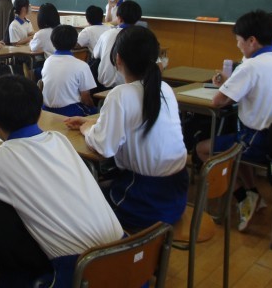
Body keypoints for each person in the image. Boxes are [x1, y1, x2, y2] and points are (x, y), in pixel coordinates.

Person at [0, 75, 123, 287]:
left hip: (78, 272)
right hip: (127, 254)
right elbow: (13, 151)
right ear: (39, 112)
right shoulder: (58, 139)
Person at [65, 26, 188, 230]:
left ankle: (115, 247)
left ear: (118, 58)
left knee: (76, 205)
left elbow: (104, 147)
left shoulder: (120, 94)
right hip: (176, 194)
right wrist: (96, 122)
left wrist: (87, 128)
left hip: (145, 200)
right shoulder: (164, 88)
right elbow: (136, 121)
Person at [196, 10, 272, 232]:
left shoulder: (251, 66)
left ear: (252, 40)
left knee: (203, 149)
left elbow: (218, 101)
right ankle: (252, 193)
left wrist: (226, 86)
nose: (238, 45)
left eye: (239, 40)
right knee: (236, 144)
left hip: (261, 140)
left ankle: (243, 197)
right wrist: (230, 83)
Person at [42, 25, 97, 117]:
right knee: (97, 112)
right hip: (70, 111)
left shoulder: (48, 61)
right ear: (75, 43)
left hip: (46, 109)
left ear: (52, 42)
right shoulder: (82, 65)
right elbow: (85, 98)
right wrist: (93, 107)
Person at [93, 0, 142, 89]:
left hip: (104, 86)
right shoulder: (142, 36)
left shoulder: (107, 34)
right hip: (130, 86)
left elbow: (96, 55)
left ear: (119, 18)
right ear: (138, 19)